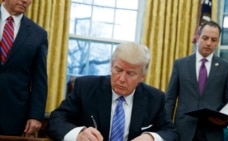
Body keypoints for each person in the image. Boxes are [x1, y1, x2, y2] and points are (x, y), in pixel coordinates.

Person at [47, 42, 179, 141]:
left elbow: (171, 132)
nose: (122, 79)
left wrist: (151, 137)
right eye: (118, 70)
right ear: (111, 66)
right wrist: (79, 134)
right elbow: (56, 120)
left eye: (130, 74)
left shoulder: (155, 98)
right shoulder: (86, 87)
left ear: (142, 76)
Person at [165, 21, 228, 141]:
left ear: (218, 42)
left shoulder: (227, 68)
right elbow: (170, 99)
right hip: (183, 131)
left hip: (212, 132)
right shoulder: (180, 64)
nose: (209, 43)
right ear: (198, 38)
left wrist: (223, 119)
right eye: (205, 38)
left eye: (213, 40)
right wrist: (166, 128)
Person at [0, 0, 48, 136]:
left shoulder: (38, 34)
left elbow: (40, 79)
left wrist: (36, 115)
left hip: (13, 114)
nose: (25, 1)